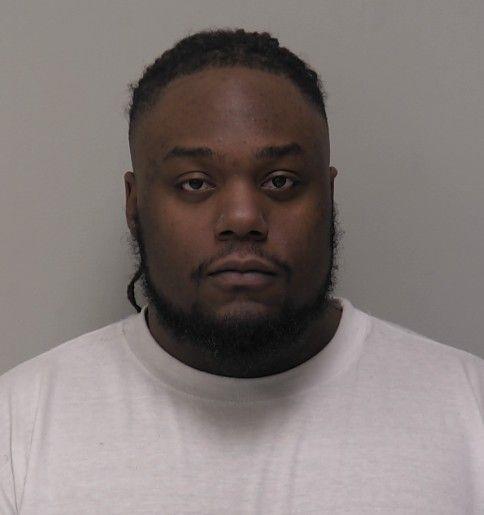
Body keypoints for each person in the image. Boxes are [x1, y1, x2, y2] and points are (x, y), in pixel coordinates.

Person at [1, 28, 483, 514]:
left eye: (280, 181)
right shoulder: (20, 425)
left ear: (329, 196)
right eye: (195, 183)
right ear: (135, 204)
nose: (243, 218)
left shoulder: (469, 409)